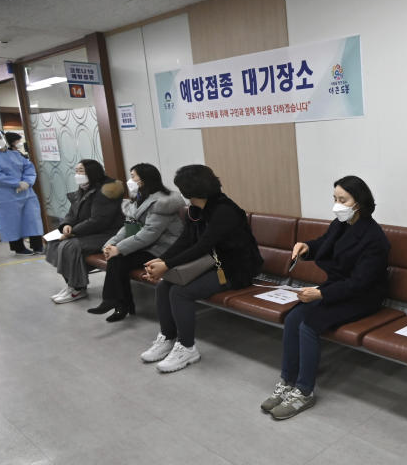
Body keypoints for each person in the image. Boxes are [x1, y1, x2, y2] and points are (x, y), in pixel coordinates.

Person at [260, 175, 389, 420]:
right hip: (337, 288)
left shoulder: (374, 238)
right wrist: (306, 247)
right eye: (335, 198)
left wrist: (320, 293)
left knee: (310, 324)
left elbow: (360, 283)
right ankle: (287, 381)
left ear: (358, 202)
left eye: (343, 199)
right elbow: (324, 244)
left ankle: (304, 392)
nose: (337, 204)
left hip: (362, 296)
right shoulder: (341, 224)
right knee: (292, 318)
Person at [141, 164, 262, 373]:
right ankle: (168, 338)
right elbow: (186, 239)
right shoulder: (196, 209)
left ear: (189, 190)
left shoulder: (224, 210)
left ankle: (187, 348)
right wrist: (161, 261)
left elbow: (202, 246)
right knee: (164, 286)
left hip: (236, 269)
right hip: (211, 264)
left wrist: (167, 265)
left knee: (181, 293)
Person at [87, 163, 183, 322]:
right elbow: (129, 226)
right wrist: (110, 245)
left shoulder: (164, 202)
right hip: (146, 244)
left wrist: (119, 249)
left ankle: (117, 303)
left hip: (164, 247)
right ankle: (119, 303)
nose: (129, 180)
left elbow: (150, 233)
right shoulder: (140, 196)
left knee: (119, 259)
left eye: (133, 176)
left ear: (144, 179)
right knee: (116, 259)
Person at [45, 159, 125, 303]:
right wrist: (66, 225)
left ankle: (77, 288)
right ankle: (72, 284)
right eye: (76, 171)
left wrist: (73, 232)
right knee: (54, 242)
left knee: (69, 246)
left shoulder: (107, 189)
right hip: (88, 231)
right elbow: (72, 212)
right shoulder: (83, 188)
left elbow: (99, 220)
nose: (77, 174)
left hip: (109, 233)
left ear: (92, 172)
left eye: (81, 170)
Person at [0, 129, 43, 255]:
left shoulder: (15, 154)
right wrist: (16, 183)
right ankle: (18, 247)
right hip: (5, 195)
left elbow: (29, 167)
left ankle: (38, 246)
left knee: (32, 218)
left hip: (26, 193)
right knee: (12, 221)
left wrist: (27, 182)